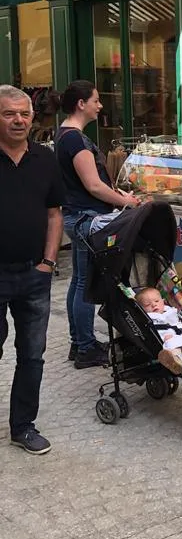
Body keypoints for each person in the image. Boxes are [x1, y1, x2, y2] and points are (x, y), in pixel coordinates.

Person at [52, 81, 140, 368]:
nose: (100, 105)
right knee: (84, 283)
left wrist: (117, 196)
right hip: (86, 218)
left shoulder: (64, 135)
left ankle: (79, 344)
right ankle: (86, 347)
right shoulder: (75, 139)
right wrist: (124, 201)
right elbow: (94, 186)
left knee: (78, 280)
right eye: (96, 100)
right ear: (81, 104)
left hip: (78, 216)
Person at [0, 85, 66, 455]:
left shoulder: (44, 158)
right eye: (9, 114)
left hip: (33, 276)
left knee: (32, 355)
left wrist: (48, 262)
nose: (19, 120)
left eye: (24, 114)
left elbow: (55, 213)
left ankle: (23, 426)